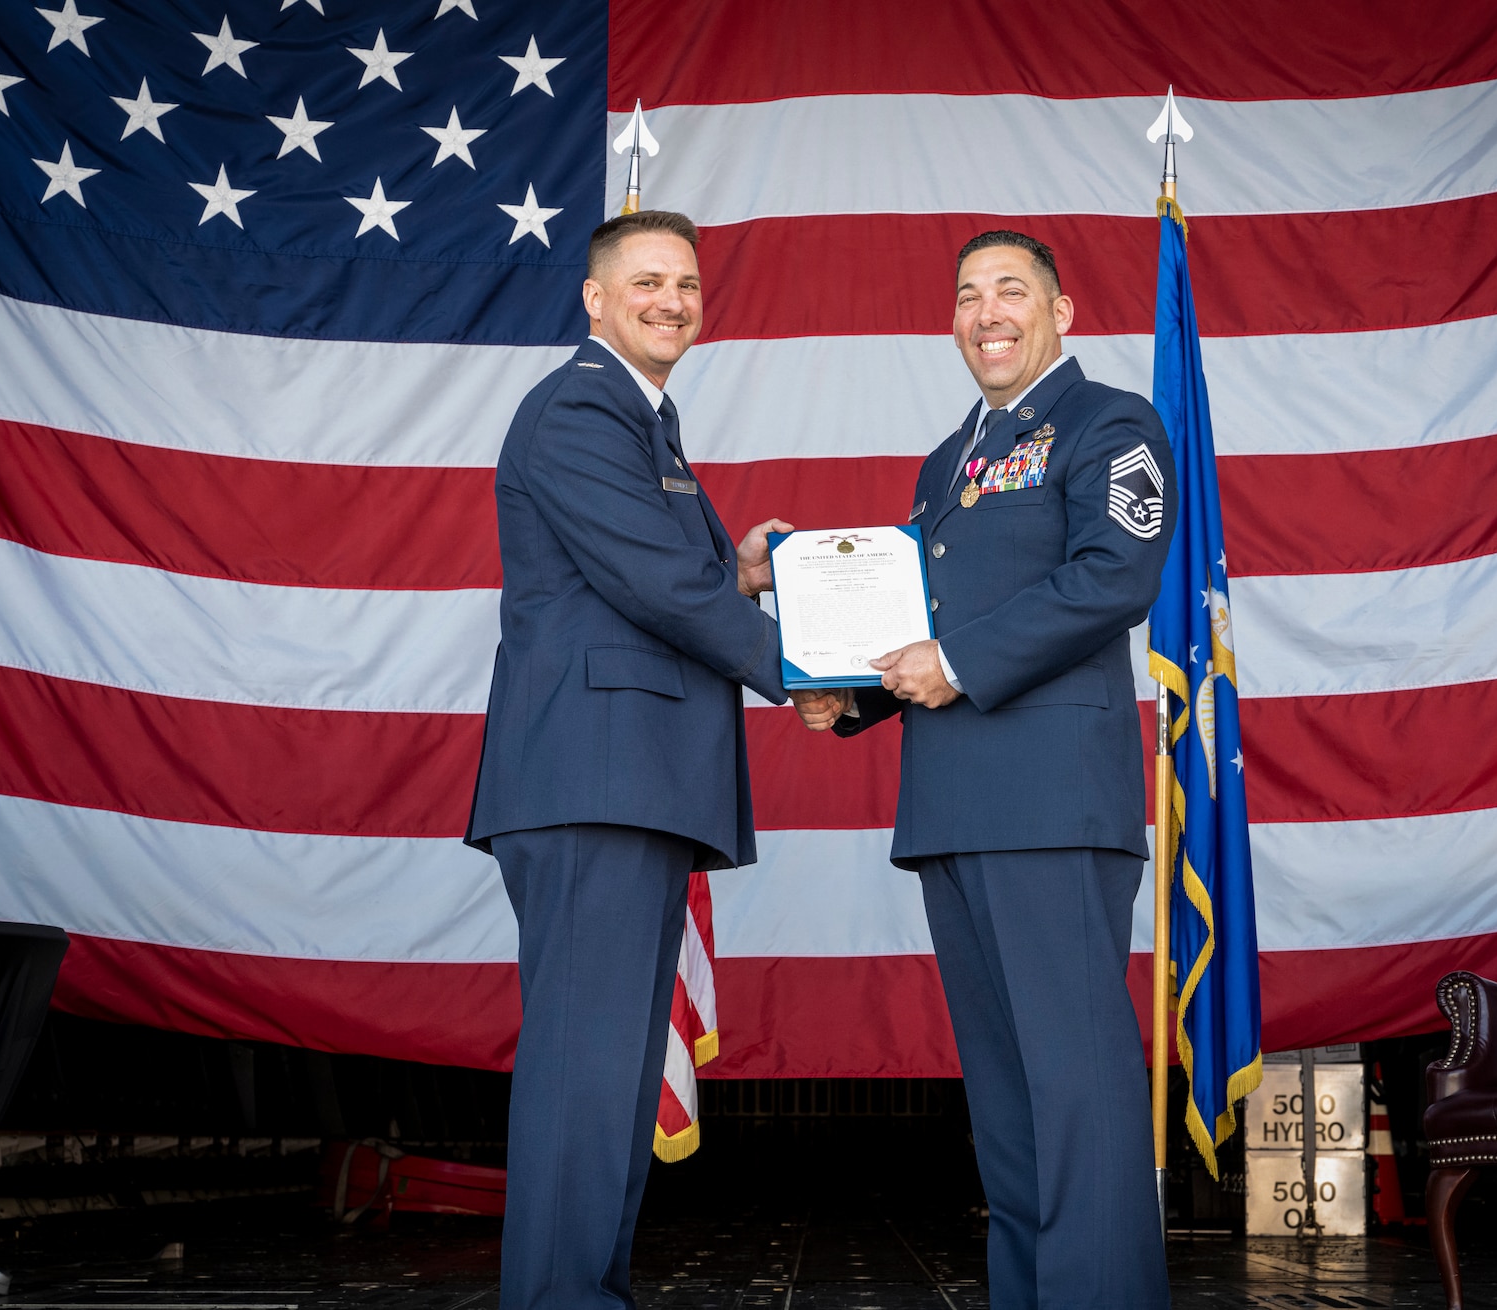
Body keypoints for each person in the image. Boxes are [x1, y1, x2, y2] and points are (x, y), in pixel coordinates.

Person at [795, 231, 1175, 1308]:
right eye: (967, 295)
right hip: (954, 806)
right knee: (1007, 1102)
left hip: (1052, 802)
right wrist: (850, 698)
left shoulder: (1110, 423)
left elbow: (1115, 573)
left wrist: (952, 663)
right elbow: (925, 619)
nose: (986, 310)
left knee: (1075, 1084)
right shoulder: (946, 459)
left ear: (1062, 309)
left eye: (1011, 289)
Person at [465, 209, 799, 1310]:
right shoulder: (577, 408)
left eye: (688, 283)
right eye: (647, 280)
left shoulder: (643, 422)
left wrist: (739, 572)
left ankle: (583, 1294)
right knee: (583, 1069)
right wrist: (802, 672)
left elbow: (663, 574)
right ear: (595, 299)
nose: (671, 299)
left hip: (631, 783)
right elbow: (656, 586)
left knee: (608, 1075)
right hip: (594, 782)